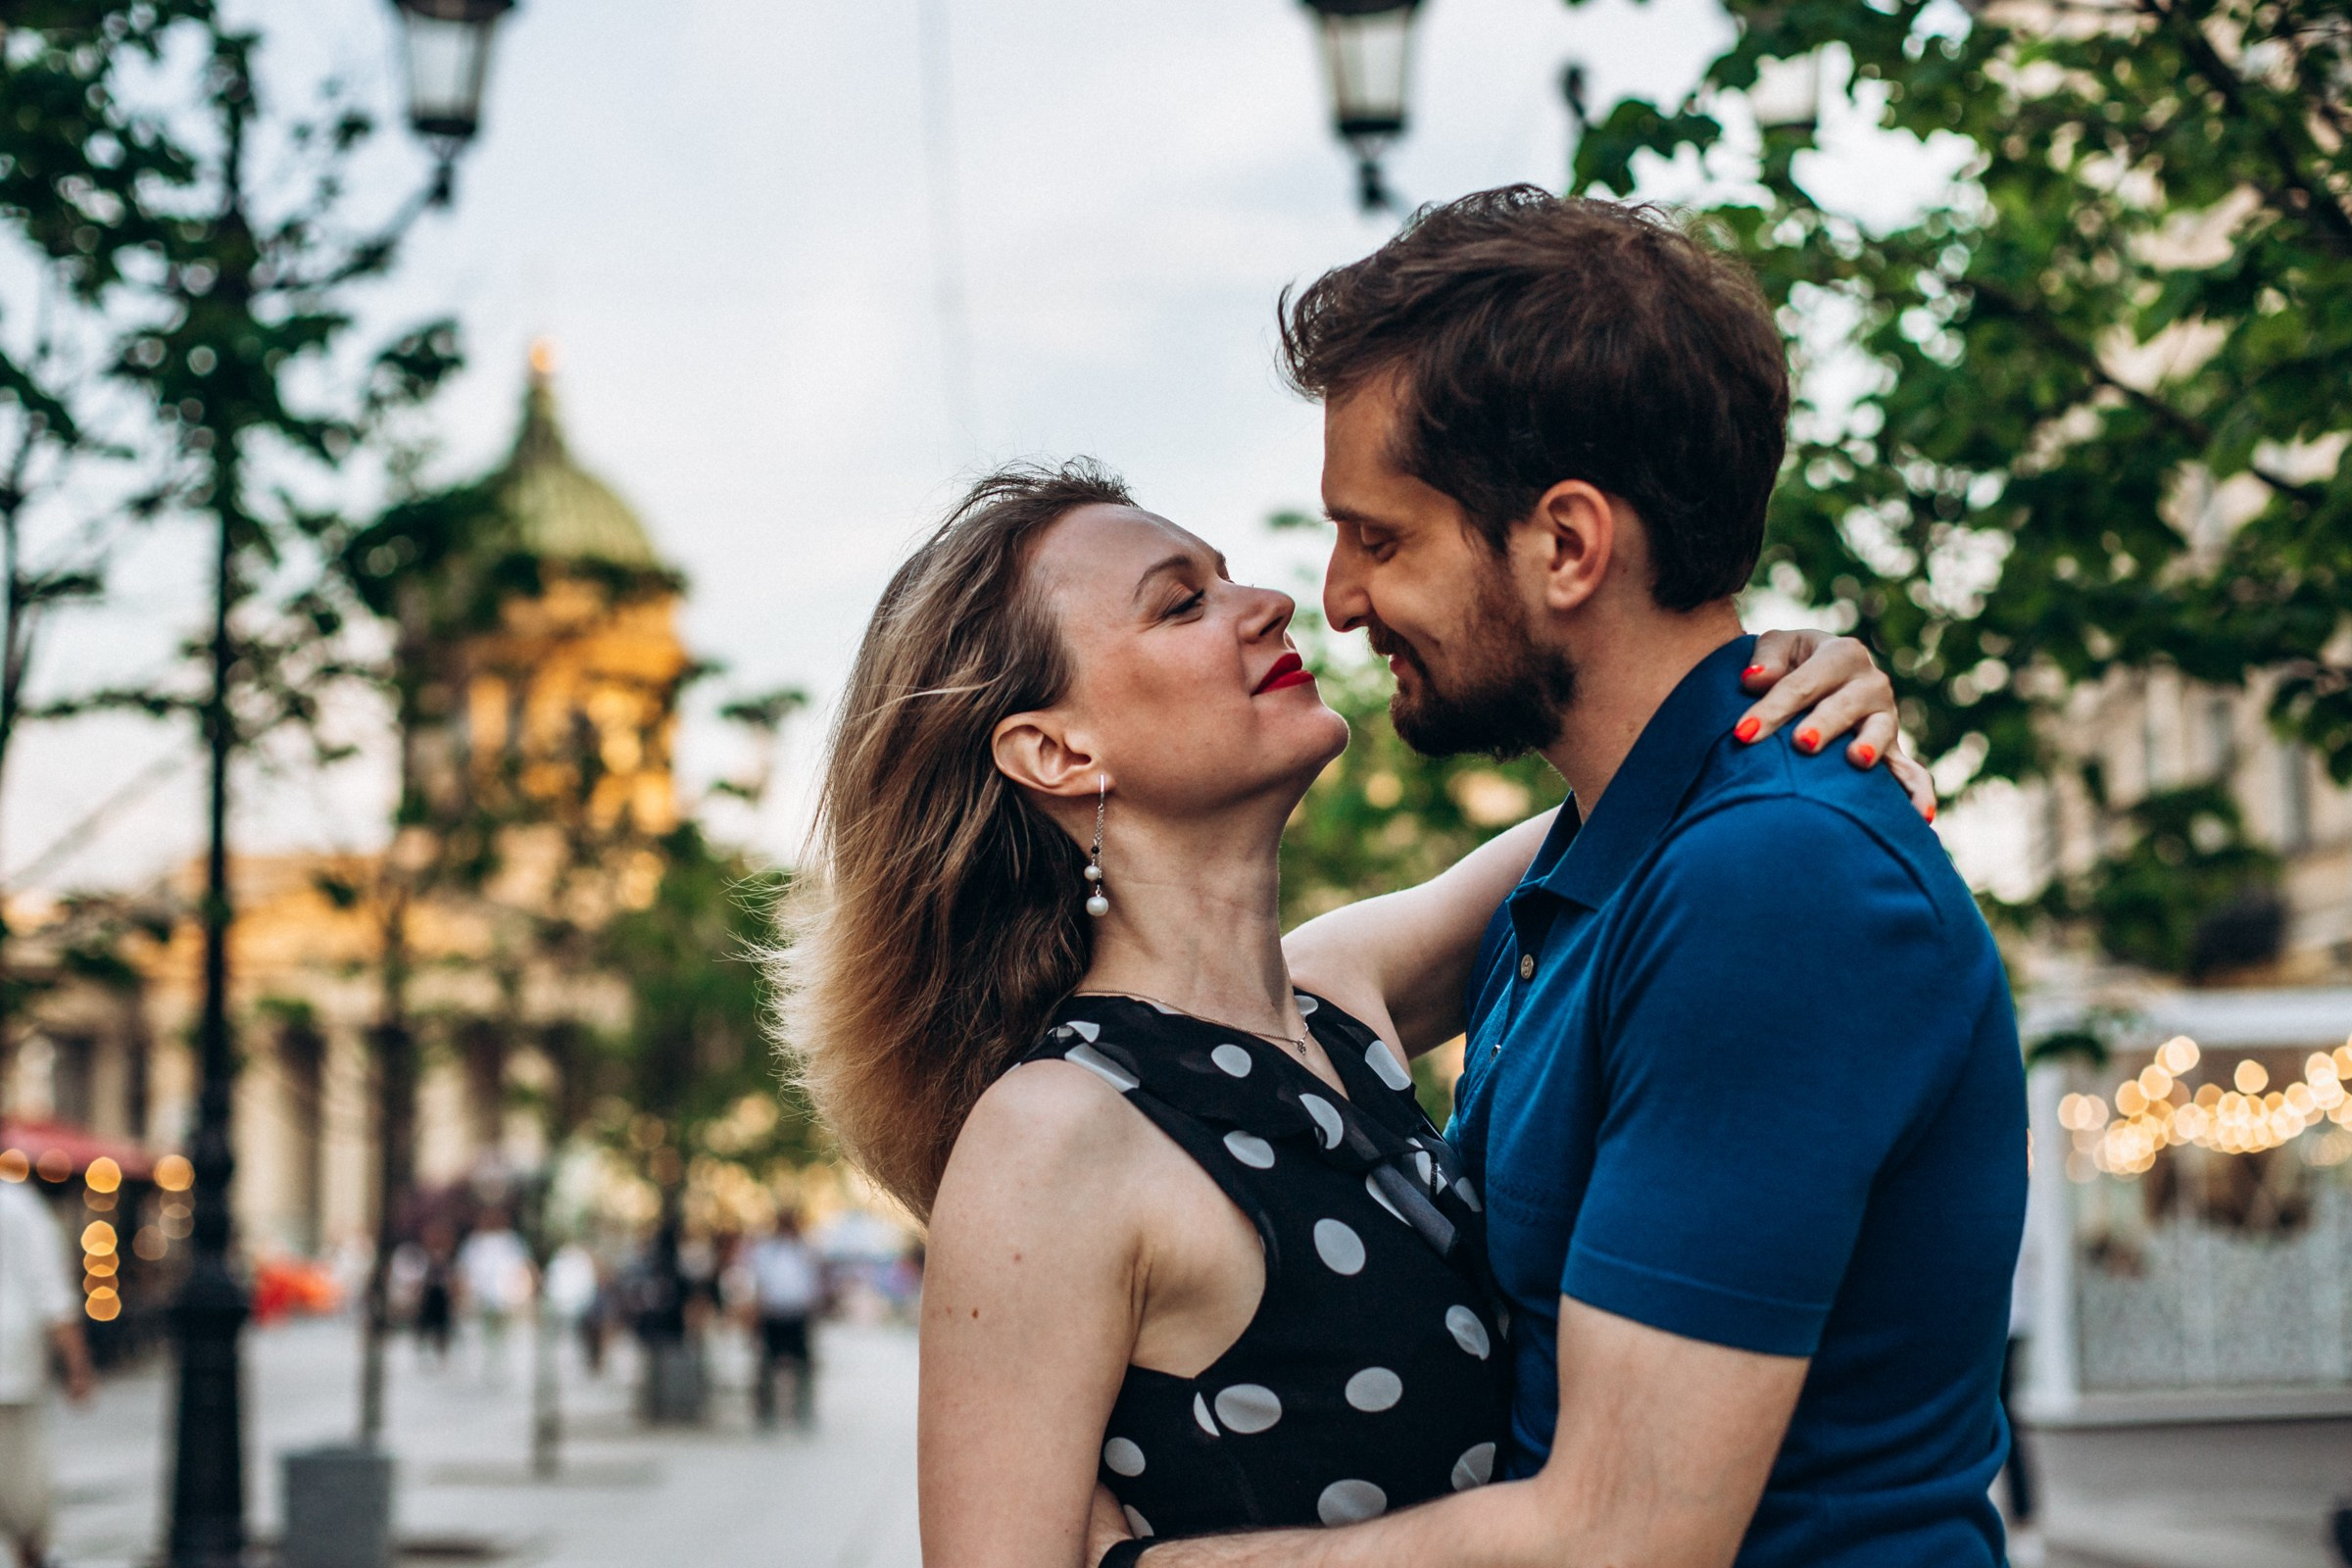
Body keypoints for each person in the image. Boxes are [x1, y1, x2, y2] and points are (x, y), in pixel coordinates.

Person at [1078, 190, 2028, 1567]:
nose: (1336, 600)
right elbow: (1208, 1009)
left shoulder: (1771, 886)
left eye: (1382, 538)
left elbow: (1625, 1541)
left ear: (1568, 545)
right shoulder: (1617, 853)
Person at [777, 459, 1921, 1553]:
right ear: (1055, 748)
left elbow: (1647, 784)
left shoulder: (1329, 1003)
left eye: (1231, 576)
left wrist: (1798, 679)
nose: (1272, 602)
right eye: (1182, 605)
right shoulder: (1052, 1132)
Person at [0, 1174, 95, 1568]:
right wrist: (78, 1365)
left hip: (11, 1368)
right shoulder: (19, 1205)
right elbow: (51, 1292)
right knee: (24, 1503)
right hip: (10, 1370)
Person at [747, 1209, 824, 1429]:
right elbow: (760, 1285)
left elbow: (813, 1284)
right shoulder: (767, 1251)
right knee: (767, 1366)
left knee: (802, 1366)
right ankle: (766, 1415)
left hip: (797, 1314)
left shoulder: (804, 1251)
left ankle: (804, 1414)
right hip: (773, 1314)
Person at [456, 1208, 533, 1384]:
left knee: (504, 1335)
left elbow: (523, 1268)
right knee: (484, 1335)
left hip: (505, 1298)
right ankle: (488, 1368)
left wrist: (521, 1293)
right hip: (482, 1297)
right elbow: (465, 1271)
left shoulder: (511, 1242)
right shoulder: (475, 1242)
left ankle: (502, 1368)